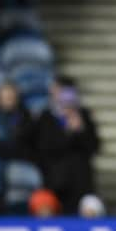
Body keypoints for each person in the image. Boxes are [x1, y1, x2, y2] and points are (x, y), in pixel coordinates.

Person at [34, 77, 100, 215]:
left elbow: (94, 147)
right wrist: (68, 133)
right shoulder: (46, 117)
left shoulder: (84, 116)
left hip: (82, 181)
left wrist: (81, 130)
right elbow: (45, 148)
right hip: (56, 181)